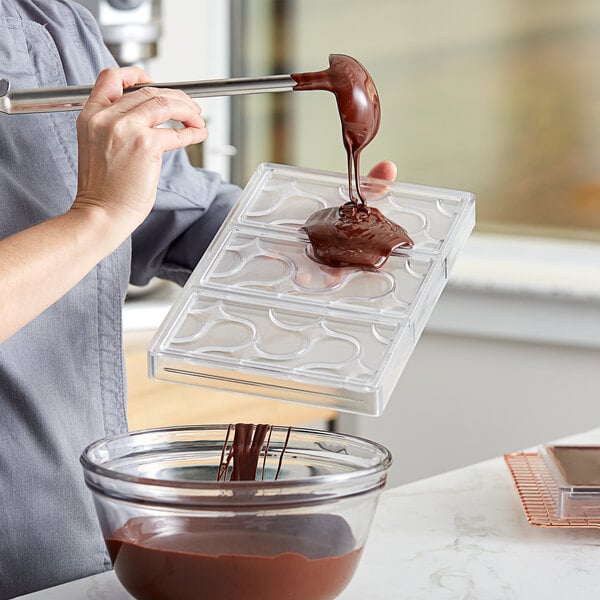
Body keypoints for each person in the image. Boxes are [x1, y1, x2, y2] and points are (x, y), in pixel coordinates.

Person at [0, 1, 397, 598]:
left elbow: (161, 207)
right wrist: (99, 215)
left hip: (66, 536)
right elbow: (108, 207)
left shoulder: (52, 19)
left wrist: (309, 239)